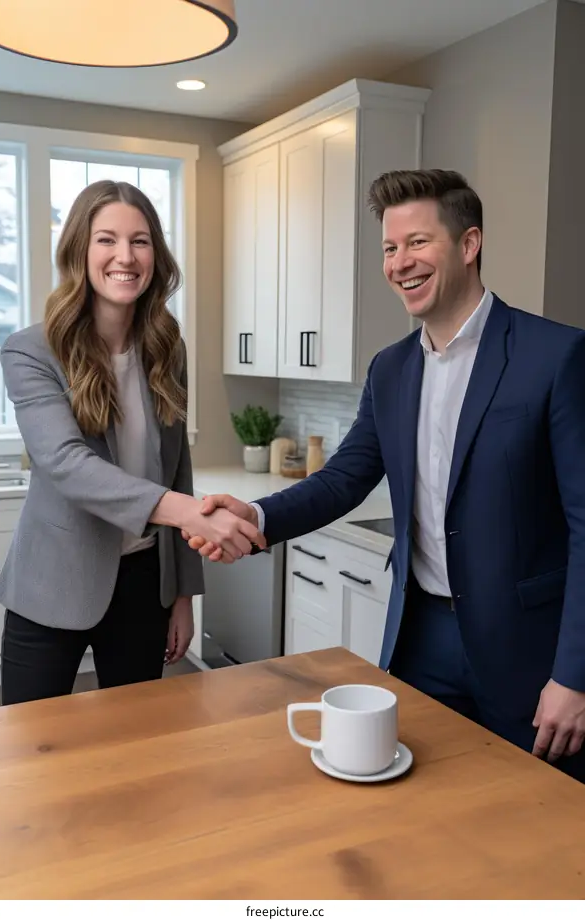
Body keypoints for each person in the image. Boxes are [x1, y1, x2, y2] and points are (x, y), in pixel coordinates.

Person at [188, 168, 585, 782]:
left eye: (418, 243)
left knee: (533, 824)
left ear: (469, 244)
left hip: (526, 653)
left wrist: (575, 675)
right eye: (390, 248)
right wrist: (259, 517)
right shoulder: (392, 369)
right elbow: (345, 477)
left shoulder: (555, 356)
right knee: (416, 806)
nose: (401, 262)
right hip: (419, 638)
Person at [0, 180, 264, 706]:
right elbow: (66, 464)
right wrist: (189, 513)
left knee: (137, 742)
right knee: (28, 751)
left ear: (155, 255)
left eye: (140, 241)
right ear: (79, 250)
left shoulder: (167, 347)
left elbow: (176, 465)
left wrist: (183, 596)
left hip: (143, 584)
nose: (125, 256)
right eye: (106, 240)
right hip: (52, 582)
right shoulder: (31, 350)